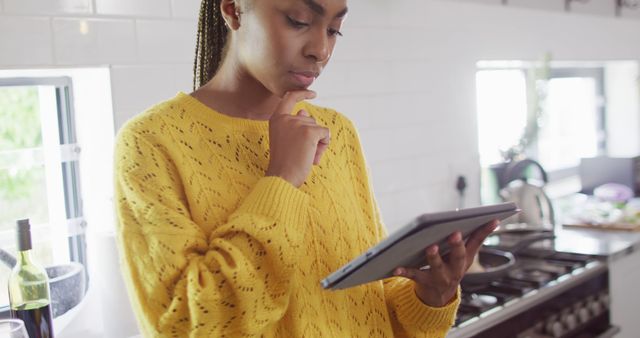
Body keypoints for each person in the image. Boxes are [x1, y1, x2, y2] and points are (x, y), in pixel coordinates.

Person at [113, 0, 498, 337]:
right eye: (298, 20)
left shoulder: (337, 133)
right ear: (232, 9)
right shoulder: (151, 142)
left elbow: (368, 302)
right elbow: (185, 325)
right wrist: (281, 180)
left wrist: (429, 296)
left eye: (334, 30)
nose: (321, 49)